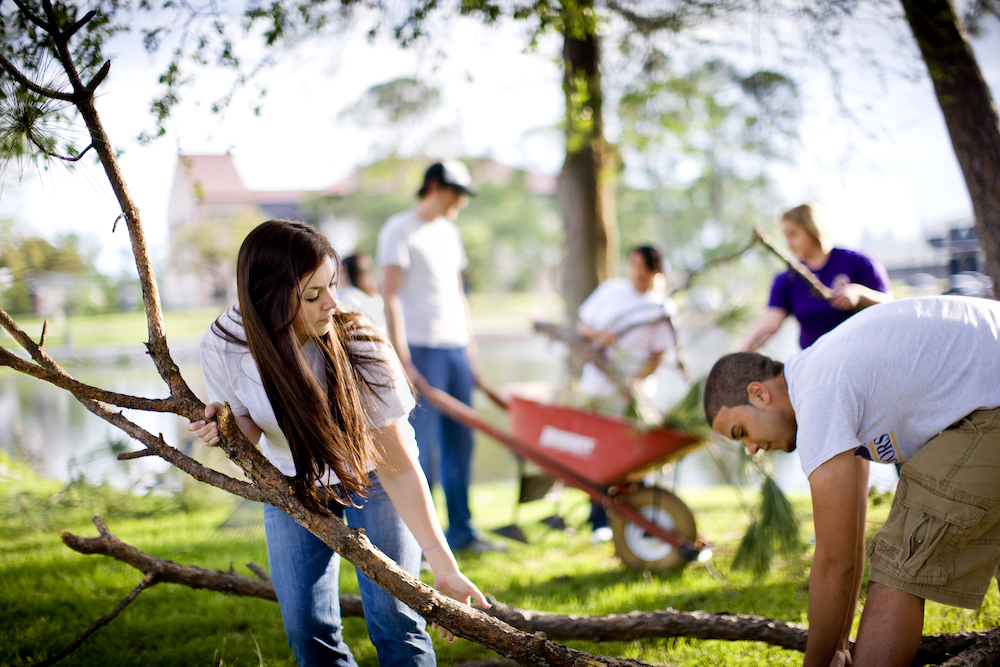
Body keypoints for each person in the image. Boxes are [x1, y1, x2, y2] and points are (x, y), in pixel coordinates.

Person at [187, 220, 488, 667]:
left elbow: (399, 465)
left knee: (397, 622)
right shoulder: (225, 343)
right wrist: (225, 431)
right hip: (292, 485)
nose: (332, 303)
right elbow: (248, 426)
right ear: (267, 296)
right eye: (312, 295)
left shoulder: (359, 339)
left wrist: (443, 566)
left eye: (333, 285)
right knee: (308, 634)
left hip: (376, 479)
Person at [703, 296, 1000, 667]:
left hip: (994, 398)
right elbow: (848, 541)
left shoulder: (816, 394)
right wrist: (838, 644)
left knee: (898, 563)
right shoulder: (825, 374)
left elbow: (834, 562)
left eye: (741, 431)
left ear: (759, 394)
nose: (750, 448)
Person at [376, 160, 503, 553]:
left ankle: (462, 531)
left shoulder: (450, 233)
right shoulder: (399, 230)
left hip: (454, 349)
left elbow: (458, 295)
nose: (462, 201)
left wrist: (472, 353)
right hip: (421, 349)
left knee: (460, 443)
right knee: (421, 445)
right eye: (456, 192)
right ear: (434, 186)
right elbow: (390, 296)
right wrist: (403, 358)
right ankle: (421, 544)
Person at [576, 245, 680, 543]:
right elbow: (583, 325)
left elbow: (657, 356)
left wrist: (633, 382)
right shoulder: (612, 291)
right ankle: (598, 519)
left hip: (634, 396)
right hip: (597, 389)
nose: (637, 272)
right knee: (598, 454)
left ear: (655, 272)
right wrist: (600, 337)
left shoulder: (661, 309)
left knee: (633, 459)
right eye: (633, 265)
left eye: (644, 267)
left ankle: (635, 516)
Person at [740, 203, 893, 352]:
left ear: (812, 229)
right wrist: (739, 354)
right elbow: (770, 321)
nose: (788, 243)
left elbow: (889, 304)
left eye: (793, 234)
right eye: (785, 236)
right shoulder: (787, 280)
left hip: (861, 355)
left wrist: (858, 294)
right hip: (815, 364)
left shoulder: (857, 262)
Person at [337, 252, 386, 333]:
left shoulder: (375, 298)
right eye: (364, 271)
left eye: (371, 269)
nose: (371, 276)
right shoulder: (350, 297)